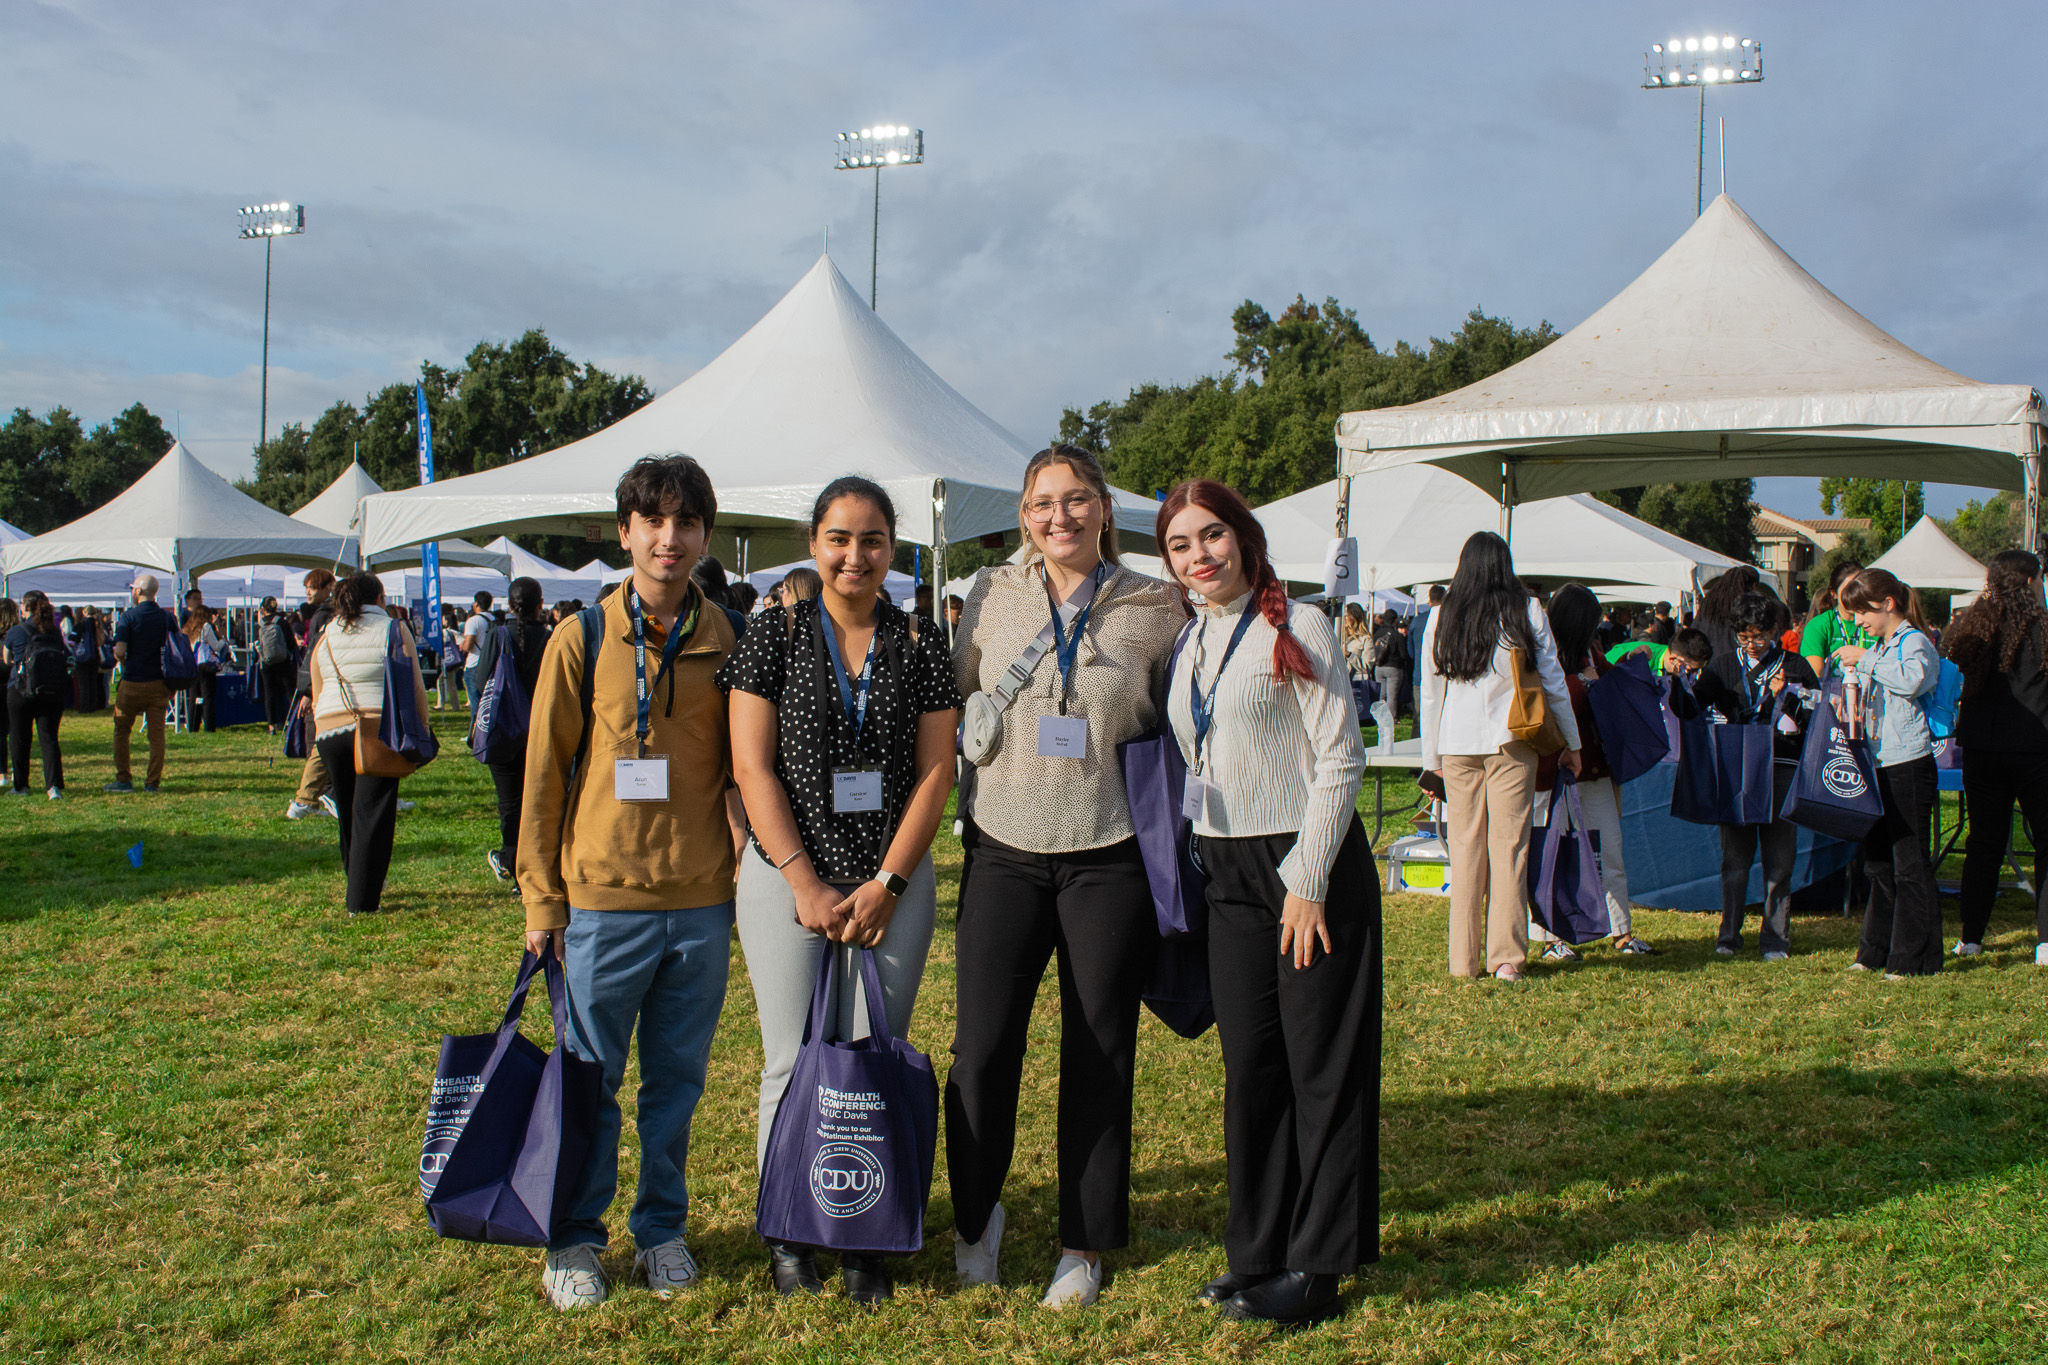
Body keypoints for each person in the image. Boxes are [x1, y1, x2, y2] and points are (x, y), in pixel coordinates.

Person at [947, 444, 1185, 1310]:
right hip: (1003, 848)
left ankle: (1082, 1244)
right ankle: (976, 1221)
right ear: (1023, 514)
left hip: (1109, 855)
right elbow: (960, 700)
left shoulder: (1156, 603)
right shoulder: (988, 594)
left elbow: (1180, 718)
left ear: (1103, 508)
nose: (1062, 516)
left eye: (1078, 499)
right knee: (982, 1050)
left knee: (1099, 1053)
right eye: (1045, 502)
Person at [720, 476, 961, 1303]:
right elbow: (750, 765)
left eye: (871, 540)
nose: (854, 555)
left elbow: (937, 770)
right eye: (838, 537)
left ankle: (865, 1235)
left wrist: (889, 881)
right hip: (786, 878)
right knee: (790, 1057)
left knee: (874, 1054)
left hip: (891, 882)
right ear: (814, 542)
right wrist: (802, 881)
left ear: (894, 549)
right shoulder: (775, 631)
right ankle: (791, 1231)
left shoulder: (921, 642)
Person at [518, 454, 746, 1312]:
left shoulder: (729, 637)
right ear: (625, 534)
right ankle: (574, 1237)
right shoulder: (580, 638)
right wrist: (542, 901)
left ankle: (661, 1231)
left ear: (703, 537)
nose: (669, 537)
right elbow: (541, 777)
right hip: (600, 903)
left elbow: (744, 768)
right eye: (653, 521)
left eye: (685, 522)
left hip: (699, 903)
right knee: (589, 1080)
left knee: (676, 1087)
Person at [1154, 480, 1378, 1326]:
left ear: (1244, 540)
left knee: (1322, 1068)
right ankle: (1257, 1252)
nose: (1199, 555)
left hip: (1305, 867)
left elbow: (1341, 760)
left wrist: (1309, 878)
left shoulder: (1299, 624)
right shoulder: (1191, 638)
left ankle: (1317, 1267)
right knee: (1252, 1069)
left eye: (1212, 536)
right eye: (1181, 544)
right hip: (1228, 874)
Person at [1417, 533, 1582, 981]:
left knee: (1466, 850)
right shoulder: (1526, 610)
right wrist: (1572, 743)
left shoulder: (1439, 615)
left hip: (1455, 743)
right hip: (1513, 740)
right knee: (1510, 848)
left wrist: (1430, 757)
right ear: (1504, 565)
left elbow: (1430, 694)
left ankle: (1462, 962)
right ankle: (1506, 958)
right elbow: (1553, 679)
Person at [1670, 593, 1819, 960]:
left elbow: (1814, 717)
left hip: (1782, 768)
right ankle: (1728, 937)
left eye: (1759, 636)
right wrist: (1679, 682)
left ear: (1774, 631)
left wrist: (1788, 698)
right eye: (1744, 637)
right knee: (1734, 860)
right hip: (1737, 768)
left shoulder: (1795, 665)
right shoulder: (1722, 666)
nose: (1752, 645)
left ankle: (1775, 939)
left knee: (1780, 861)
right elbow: (1691, 708)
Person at [1529, 584, 1658, 959]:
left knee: (1610, 851)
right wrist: (1585, 682)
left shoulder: (1590, 650)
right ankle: (1547, 937)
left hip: (1595, 769)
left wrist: (1631, 662)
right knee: (1548, 853)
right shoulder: (1541, 651)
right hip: (1552, 771)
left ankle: (1621, 931)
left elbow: (1609, 682)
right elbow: (1543, 699)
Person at [1835, 568, 1942, 978]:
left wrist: (1867, 660)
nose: (1858, 621)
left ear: (1887, 604)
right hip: (1878, 759)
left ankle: (1912, 959)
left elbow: (1914, 681)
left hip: (1908, 763)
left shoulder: (1914, 641)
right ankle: (1873, 952)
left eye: (1862, 612)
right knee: (1878, 865)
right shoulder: (1883, 645)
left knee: (1910, 865)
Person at [1943, 550, 2048, 966]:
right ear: (2027, 582)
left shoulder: (1972, 628)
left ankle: (1971, 938)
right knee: (2045, 845)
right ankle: (2045, 943)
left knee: (1983, 844)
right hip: (2036, 748)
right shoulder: (2044, 628)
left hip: (1983, 749)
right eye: (2038, 579)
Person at [308, 573, 430, 917]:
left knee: (348, 813)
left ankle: (357, 880)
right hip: (377, 726)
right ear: (379, 598)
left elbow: (316, 680)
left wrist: (322, 717)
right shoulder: (393, 628)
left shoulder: (329, 631)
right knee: (373, 815)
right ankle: (362, 901)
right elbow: (414, 684)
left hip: (331, 729)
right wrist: (421, 725)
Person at [473, 577, 550, 884]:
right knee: (539, 798)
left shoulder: (498, 634)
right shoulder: (549, 637)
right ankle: (533, 864)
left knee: (509, 802)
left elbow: (481, 681)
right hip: (539, 727)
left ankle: (512, 859)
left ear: (508, 604)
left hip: (504, 728)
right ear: (540, 605)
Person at [106, 574, 174, 794]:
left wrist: (124, 661)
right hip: (159, 682)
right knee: (156, 735)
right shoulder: (167, 618)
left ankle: (124, 779)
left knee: (122, 730)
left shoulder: (129, 617)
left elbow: (120, 651)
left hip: (132, 681)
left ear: (137, 591)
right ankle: (152, 782)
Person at [285, 570, 339, 819]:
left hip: (320, 688)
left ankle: (318, 797)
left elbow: (314, 657)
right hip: (318, 689)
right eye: (306, 587)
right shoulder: (323, 614)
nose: (308, 592)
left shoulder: (325, 615)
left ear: (329, 587)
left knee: (318, 742)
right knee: (318, 743)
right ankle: (316, 797)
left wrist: (307, 691)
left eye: (313, 587)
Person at [5, 590, 69, 799]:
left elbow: (7, 660)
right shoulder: (54, 632)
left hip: (21, 690)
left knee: (19, 739)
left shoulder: (16, 631)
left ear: (25, 607)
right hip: (51, 691)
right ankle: (54, 787)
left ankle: (21, 786)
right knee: (49, 739)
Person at [1801, 560, 1872, 678]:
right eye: (1848, 590)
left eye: (1860, 589)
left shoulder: (1875, 622)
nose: (1854, 595)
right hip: (1833, 694)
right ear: (1834, 593)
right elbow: (1816, 673)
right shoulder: (1820, 625)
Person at [256, 597, 297, 732]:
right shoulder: (281, 622)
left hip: (266, 662)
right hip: (283, 661)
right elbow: (291, 642)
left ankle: (272, 724)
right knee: (289, 691)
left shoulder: (260, 624)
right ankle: (294, 720)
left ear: (263, 608)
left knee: (270, 693)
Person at [184, 604, 224, 733]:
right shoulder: (206, 627)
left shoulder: (187, 628)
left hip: (192, 665)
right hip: (205, 666)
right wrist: (222, 636)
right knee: (207, 697)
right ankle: (209, 727)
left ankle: (192, 725)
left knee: (195, 697)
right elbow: (217, 646)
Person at [461, 590, 494, 719]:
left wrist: (462, 644)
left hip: (475, 663)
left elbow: (468, 645)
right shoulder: (496, 619)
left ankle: (475, 732)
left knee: (476, 701)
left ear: (476, 604)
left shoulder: (473, 621)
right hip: (491, 662)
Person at [1372, 610, 1410, 720]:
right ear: (1394, 621)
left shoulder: (1377, 633)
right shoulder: (1397, 635)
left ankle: (1380, 717)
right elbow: (1403, 654)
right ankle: (1391, 719)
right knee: (1392, 696)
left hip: (1379, 666)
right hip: (1394, 667)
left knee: (1381, 694)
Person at [1340, 604, 1372, 678]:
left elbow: (1367, 666)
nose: (1344, 618)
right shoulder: (1340, 637)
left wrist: (1349, 655)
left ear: (1355, 617)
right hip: (1340, 681)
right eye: (1343, 615)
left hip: (1356, 682)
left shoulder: (1365, 639)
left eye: (1346, 615)